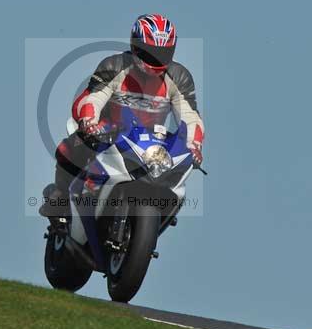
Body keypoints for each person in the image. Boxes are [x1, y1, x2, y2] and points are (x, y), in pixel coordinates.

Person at [40, 13, 205, 220]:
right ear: (135, 46)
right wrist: (89, 122)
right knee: (72, 146)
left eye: (162, 53)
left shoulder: (179, 77)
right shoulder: (114, 65)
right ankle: (61, 197)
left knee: (176, 169)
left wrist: (194, 145)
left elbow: (190, 116)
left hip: (151, 143)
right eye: (150, 52)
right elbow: (94, 97)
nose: (155, 59)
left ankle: (161, 214)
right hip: (109, 131)